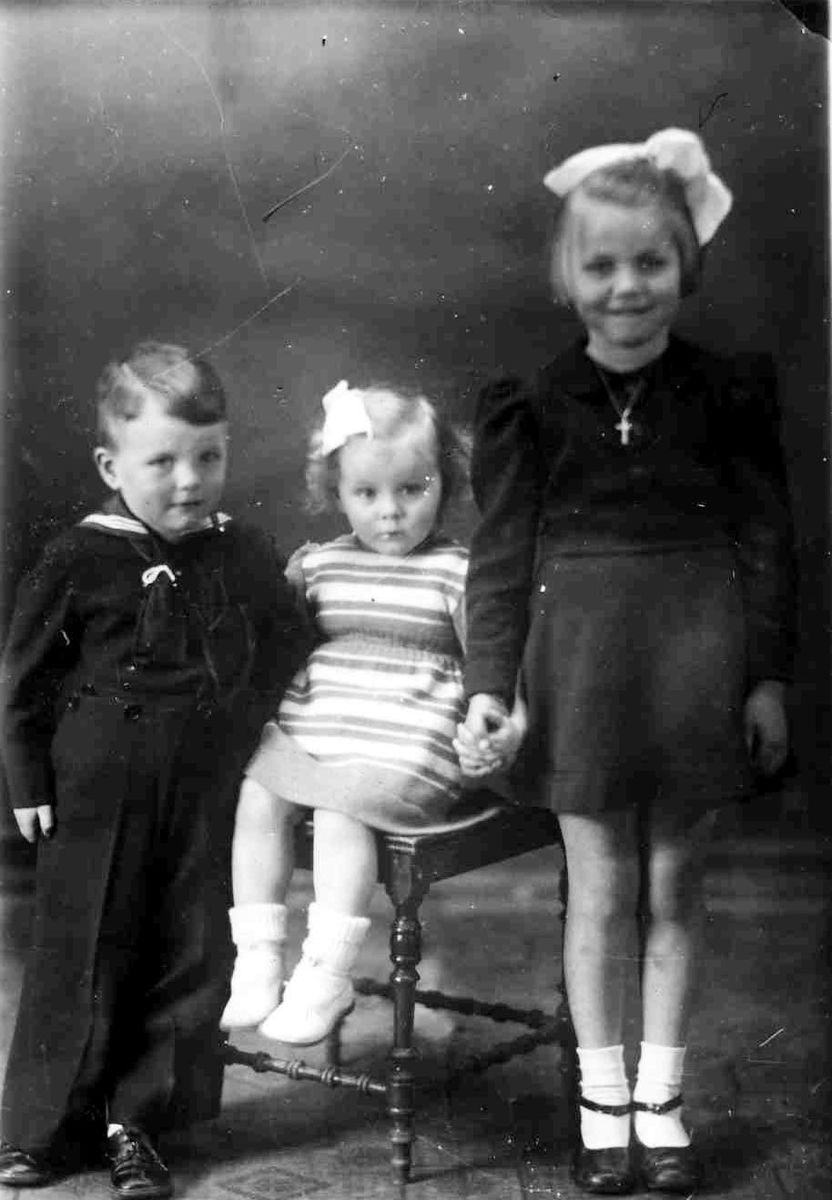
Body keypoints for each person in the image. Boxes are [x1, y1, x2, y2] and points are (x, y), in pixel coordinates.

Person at [456, 128, 796, 1195]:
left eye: (650, 261)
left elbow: (766, 541)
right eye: (600, 265)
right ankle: (603, 1109)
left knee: (675, 886)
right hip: (581, 669)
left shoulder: (725, 391)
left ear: (685, 263)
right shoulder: (534, 404)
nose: (626, 287)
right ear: (567, 275)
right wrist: (489, 685)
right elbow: (500, 561)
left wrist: (767, 677)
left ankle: (664, 1102)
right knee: (599, 891)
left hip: (698, 659)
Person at [0, 342, 306, 1198]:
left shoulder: (241, 551)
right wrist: (26, 779)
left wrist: (247, 727)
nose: (189, 480)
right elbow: (24, 676)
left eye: (209, 456)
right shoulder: (78, 555)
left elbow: (287, 641)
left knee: (187, 950)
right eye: (163, 461)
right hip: (95, 787)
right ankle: (44, 1128)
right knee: (81, 951)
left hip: (203, 784)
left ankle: (136, 1125)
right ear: (111, 465)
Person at [220, 379, 526, 1045]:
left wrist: (495, 719)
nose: (390, 512)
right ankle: (258, 958)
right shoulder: (320, 565)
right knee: (257, 794)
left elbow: (494, 662)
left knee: (340, 810)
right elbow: (273, 645)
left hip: (404, 741)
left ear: (445, 484)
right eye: (367, 493)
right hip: (321, 727)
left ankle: (326, 973)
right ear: (336, 493)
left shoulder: (458, 573)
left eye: (412, 489)